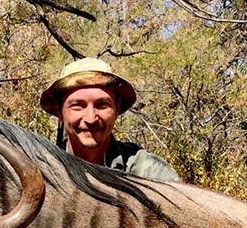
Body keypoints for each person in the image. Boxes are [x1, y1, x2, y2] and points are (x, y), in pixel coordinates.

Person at [39, 57, 179, 182]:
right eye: (78, 106)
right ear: (59, 112)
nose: (91, 118)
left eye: (102, 105)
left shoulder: (149, 172)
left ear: (117, 108)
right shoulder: (42, 171)